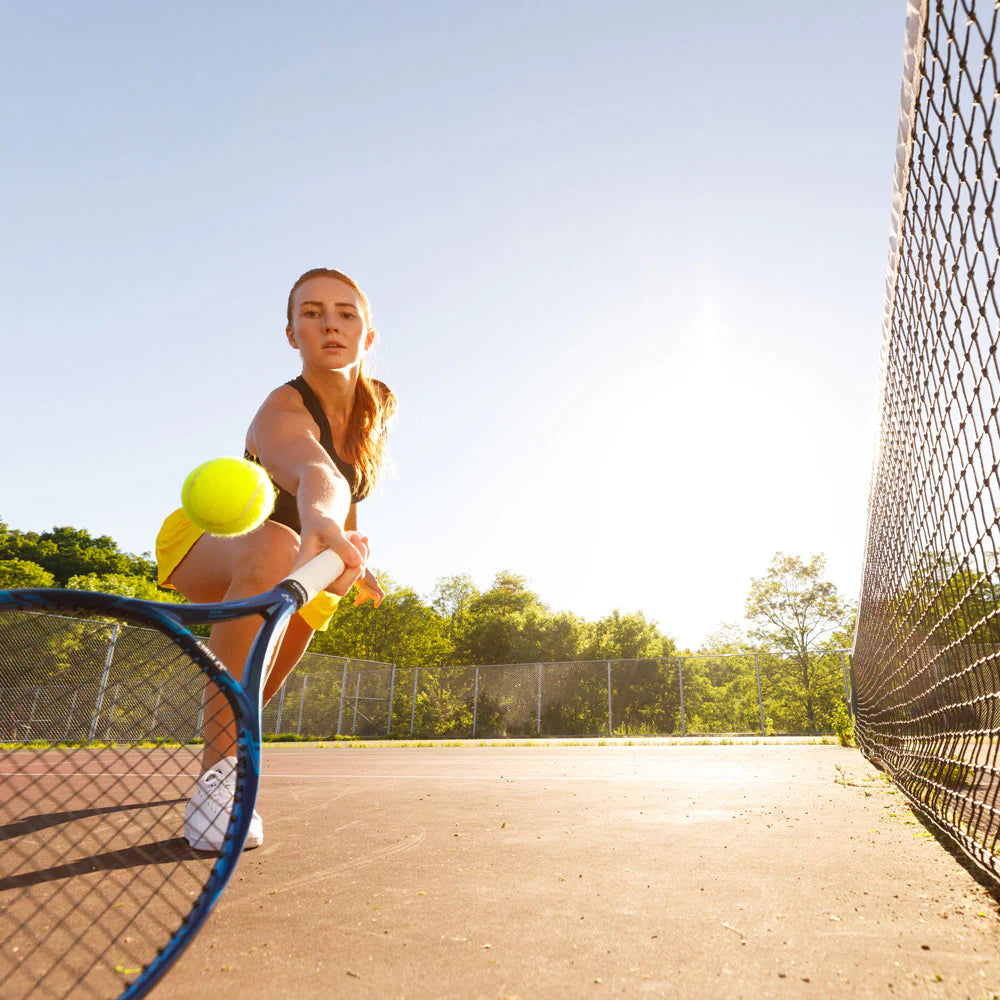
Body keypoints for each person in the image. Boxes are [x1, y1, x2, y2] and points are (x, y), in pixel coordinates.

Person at [155, 268, 396, 851]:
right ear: (292, 333)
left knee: (255, 688)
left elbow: (350, 486)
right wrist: (321, 521)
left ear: (368, 335)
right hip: (216, 542)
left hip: (309, 557)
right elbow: (315, 470)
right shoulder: (282, 407)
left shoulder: (378, 407)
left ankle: (227, 744)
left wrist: (348, 551)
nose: (329, 324)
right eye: (311, 313)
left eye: (345, 313)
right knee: (274, 544)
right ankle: (219, 788)